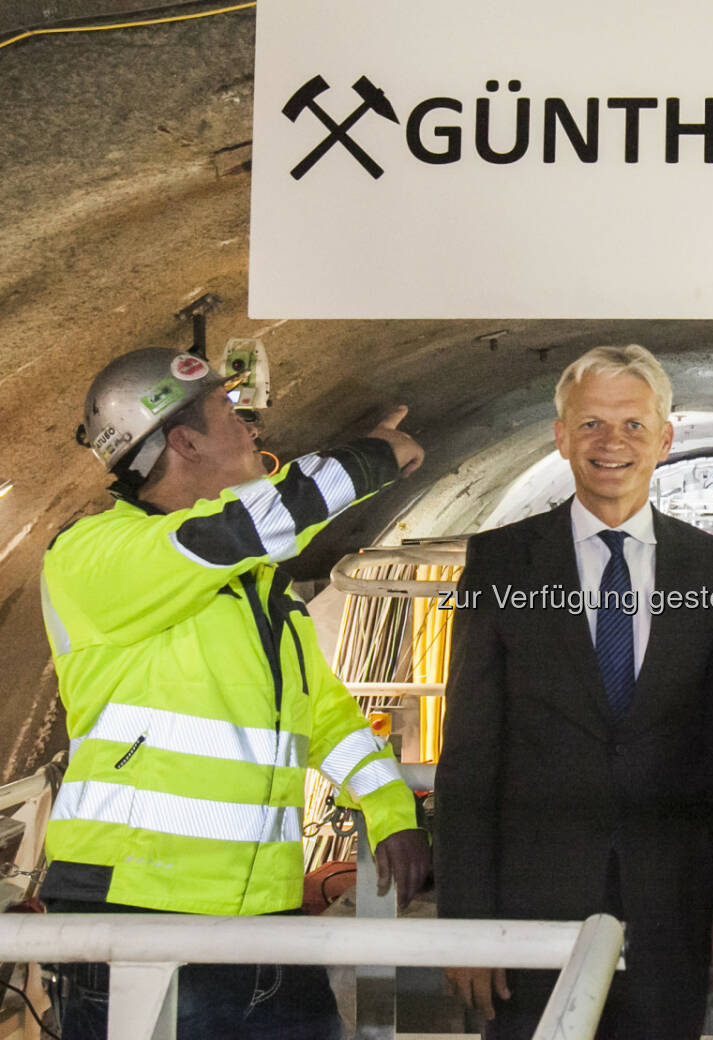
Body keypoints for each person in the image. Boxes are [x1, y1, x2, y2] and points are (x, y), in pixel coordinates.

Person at [39, 347, 431, 1039]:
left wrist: (390, 807)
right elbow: (241, 528)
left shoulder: (254, 586)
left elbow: (322, 715)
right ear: (183, 441)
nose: (254, 431)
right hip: (140, 922)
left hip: (267, 927)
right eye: (232, 415)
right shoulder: (94, 557)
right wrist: (371, 459)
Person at [434, 344, 713, 1040]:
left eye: (634, 424)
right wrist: (465, 920)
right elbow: (467, 753)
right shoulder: (501, 562)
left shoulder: (709, 566)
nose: (613, 442)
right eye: (590, 424)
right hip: (526, 915)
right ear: (560, 437)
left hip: (671, 911)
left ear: (665, 440)